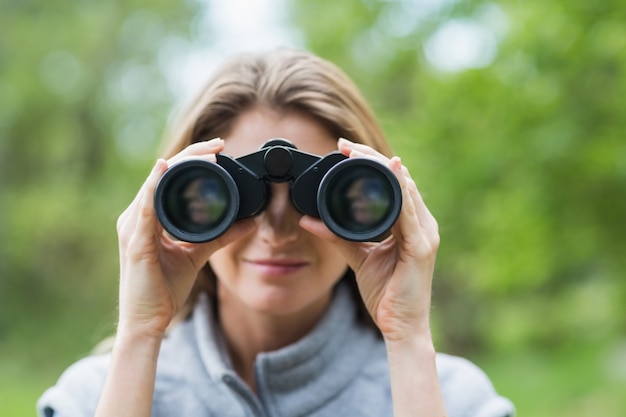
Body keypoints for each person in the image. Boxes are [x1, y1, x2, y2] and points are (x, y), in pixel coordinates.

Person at [37, 48, 515, 417]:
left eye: (331, 195)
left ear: (385, 204)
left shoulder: (453, 398)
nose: (280, 231)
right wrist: (140, 335)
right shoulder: (94, 395)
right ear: (171, 202)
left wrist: (408, 340)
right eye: (230, 196)